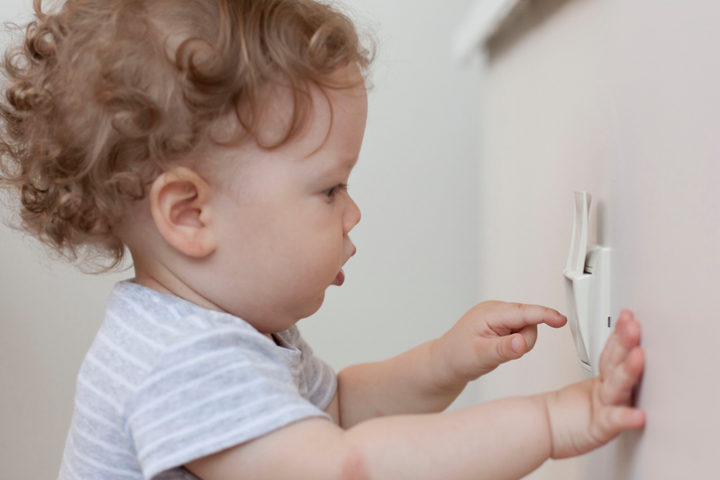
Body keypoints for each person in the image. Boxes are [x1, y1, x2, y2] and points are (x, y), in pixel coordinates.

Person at [0, 0, 646, 479]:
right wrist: (553, 422)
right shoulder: (178, 362)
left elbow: (336, 409)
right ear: (190, 213)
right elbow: (347, 468)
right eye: (330, 189)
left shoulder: (221, 329)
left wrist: (445, 360)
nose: (353, 212)